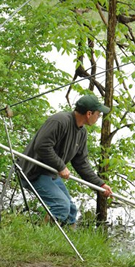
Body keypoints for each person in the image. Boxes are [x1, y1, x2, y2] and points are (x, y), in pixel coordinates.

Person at [18, 94, 112, 228]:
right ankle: (41, 241)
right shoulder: (60, 121)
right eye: (98, 114)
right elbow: (42, 146)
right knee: (61, 206)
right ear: (89, 113)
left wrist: (100, 185)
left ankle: (63, 244)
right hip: (34, 172)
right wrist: (60, 166)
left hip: (50, 174)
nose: (99, 117)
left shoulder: (82, 132)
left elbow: (81, 163)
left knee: (71, 211)